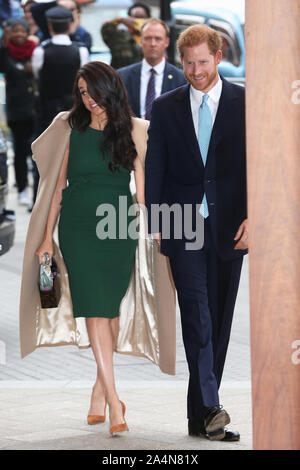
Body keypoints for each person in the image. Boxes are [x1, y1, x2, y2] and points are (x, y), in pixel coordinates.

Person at [19, 61, 177, 435]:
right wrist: (45, 237)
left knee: (108, 309)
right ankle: (115, 403)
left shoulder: (134, 130)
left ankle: (98, 392)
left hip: (118, 227)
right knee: (94, 310)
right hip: (76, 229)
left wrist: (154, 228)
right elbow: (57, 188)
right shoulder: (69, 128)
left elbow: (143, 188)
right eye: (83, 93)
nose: (89, 100)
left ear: (111, 90)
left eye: (94, 91)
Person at [145, 24, 248, 442]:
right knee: (197, 316)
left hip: (230, 227)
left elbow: (260, 163)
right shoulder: (166, 106)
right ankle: (212, 407)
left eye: (203, 62)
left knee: (219, 321)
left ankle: (200, 416)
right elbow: (155, 168)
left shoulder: (245, 102)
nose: (195, 70)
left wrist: (255, 216)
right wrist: (156, 221)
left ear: (218, 57)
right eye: (188, 63)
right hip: (181, 223)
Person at [31, 5, 89, 207]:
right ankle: (73, 198)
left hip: (47, 109)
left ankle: (39, 198)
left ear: (50, 26)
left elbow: (39, 77)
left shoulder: (40, 50)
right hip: (73, 111)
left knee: (43, 156)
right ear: (70, 24)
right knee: (74, 157)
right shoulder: (80, 50)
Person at [0, 17, 37, 206]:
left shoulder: (35, 50)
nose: (20, 35)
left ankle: (37, 190)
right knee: (20, 152)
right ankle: (22, 188)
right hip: (17, 111)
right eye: (15, 31)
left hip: (36, 110)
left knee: (37, 153)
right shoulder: (6, 54)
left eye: (23, 31)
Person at [118, 18, 186, 119]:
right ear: (141, 41)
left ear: (166, 42)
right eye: (148, 38)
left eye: (158, 39)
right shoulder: (122, 76)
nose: (153, 44)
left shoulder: (181, 79)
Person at [101, 1, 150, 70]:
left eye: (141, 17)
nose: (137, 20)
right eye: (135, 17)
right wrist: (119, 20)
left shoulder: (152, 39)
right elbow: (106, 30)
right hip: (121, 77)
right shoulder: (120, 37)